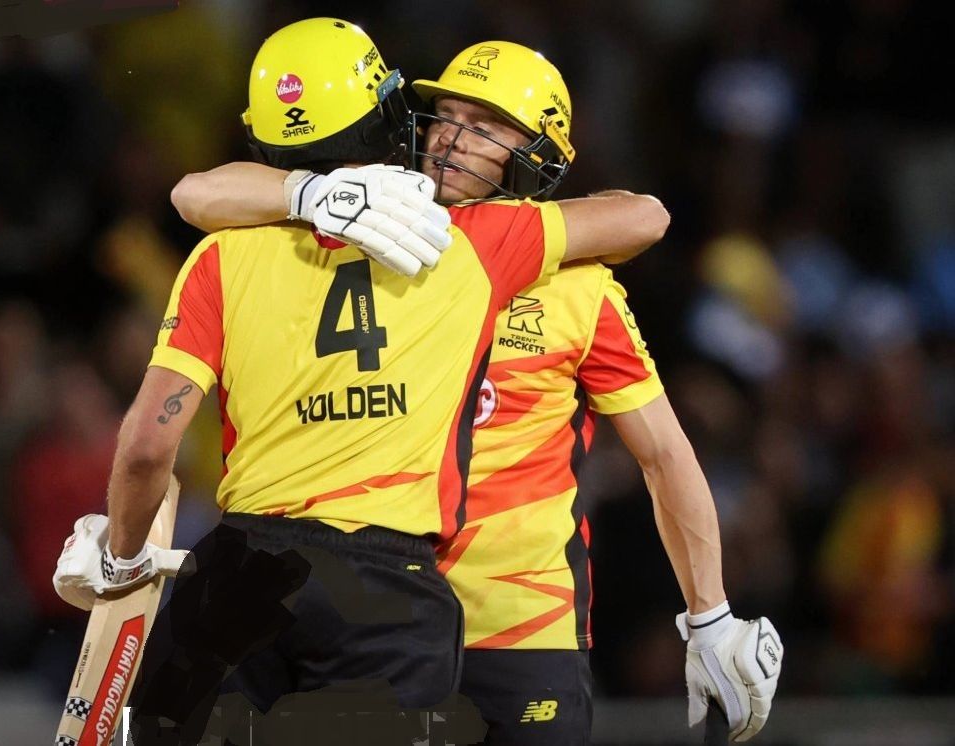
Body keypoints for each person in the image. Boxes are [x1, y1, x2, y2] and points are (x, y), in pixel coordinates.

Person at [53, 18, 667, 745]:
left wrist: (123, 559)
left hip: (241, 573)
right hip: (389, 589)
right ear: (386, 114)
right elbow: (644, 215)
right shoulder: (472, 244)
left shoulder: (221, 256)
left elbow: (149, 447)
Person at [171, 40, 783, 745]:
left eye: (488, 127)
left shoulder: (580, 290)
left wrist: (709, 615)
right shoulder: (366, 238)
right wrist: (312, 193)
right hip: (378, 625)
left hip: (517, 633)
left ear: (535, 154)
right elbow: (196, 193)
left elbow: (666, 457)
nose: (453, 140)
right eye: (446, 117)